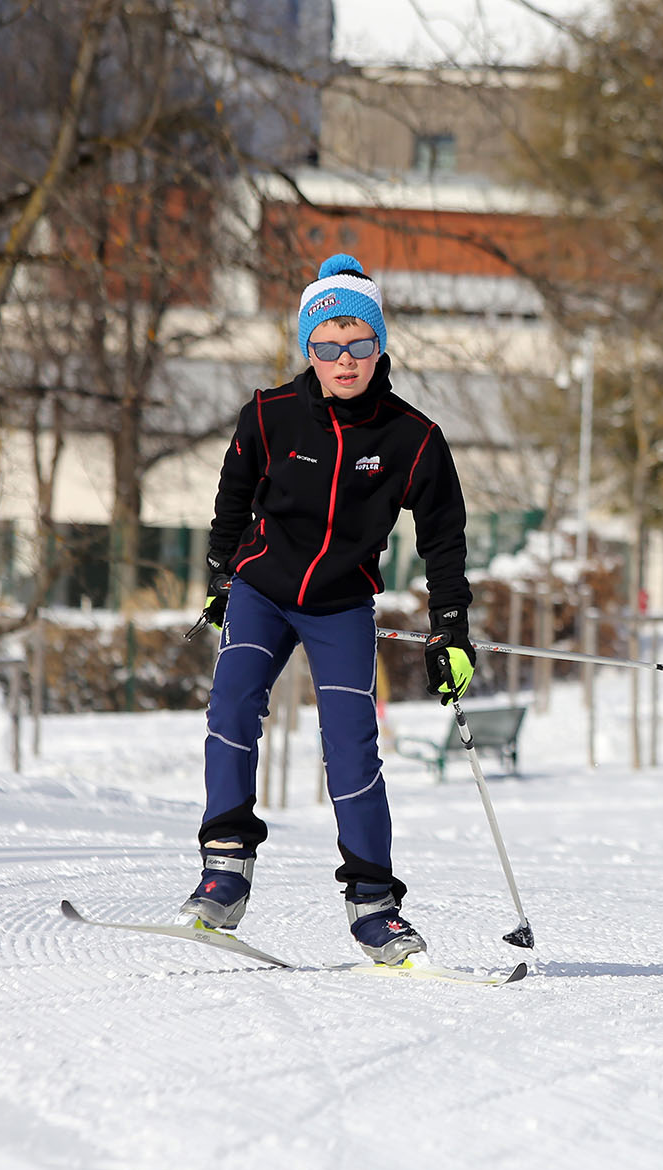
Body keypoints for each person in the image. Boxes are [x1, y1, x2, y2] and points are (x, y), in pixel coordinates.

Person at [181, 253, 480, 966]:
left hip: (342, 602)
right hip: (261, 590)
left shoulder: (413, 438)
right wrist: (221, 575)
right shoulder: (270, 414)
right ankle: (225, 869)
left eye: (359, 345)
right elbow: (233, 494)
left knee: (350, 745)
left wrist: (451, 628)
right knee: (232, 706)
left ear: (381, 347)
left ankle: (374, 906)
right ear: (308, 349)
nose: (344, 361)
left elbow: (443, 537)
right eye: (328, 346)